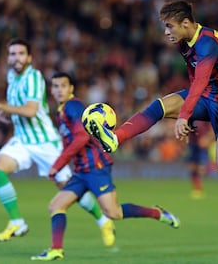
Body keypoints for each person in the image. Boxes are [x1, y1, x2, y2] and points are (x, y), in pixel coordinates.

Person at [87, 0, 218, 181]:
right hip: (206, 94)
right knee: (159, 106)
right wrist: (187, 113)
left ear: (186, 23)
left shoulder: (207, 43)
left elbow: (201, 81)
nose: (165, 32)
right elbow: (194, 75)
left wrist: (184, 115)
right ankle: (115, 138)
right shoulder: (183, 42)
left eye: (169, 26)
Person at [0, 38, 115, 246]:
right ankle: (17, 222)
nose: (16, 58)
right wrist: (5, 113)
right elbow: (18, 104)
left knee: (67, 188)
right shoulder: (12, 76)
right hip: (23, 139)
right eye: (12, 54)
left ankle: (103, 220)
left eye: (21, 53)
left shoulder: (34, 77)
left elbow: (31, 111)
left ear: (29, 57)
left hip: (44, 142)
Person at [31, 72, 180, 261]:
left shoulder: (74, 106)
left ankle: (157, 213)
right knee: (56, 205)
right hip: (81, 170)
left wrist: (58, 164)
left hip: (95, 167)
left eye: (63, 86)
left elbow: (82, 137)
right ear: (51, 90)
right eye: (55, 86)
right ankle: (56, 249)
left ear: (71, 89)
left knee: (113, 213)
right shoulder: (61, 112)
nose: (59, 90)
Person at [187, 121, 214, 199]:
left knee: (201, 168)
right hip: (193, 143)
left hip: (203, 144)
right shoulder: (191, 114)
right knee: (192, 166)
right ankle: (197, 189)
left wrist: (208, 139)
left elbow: (213, 128)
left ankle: (212, 167)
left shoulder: (205, 115)